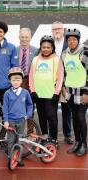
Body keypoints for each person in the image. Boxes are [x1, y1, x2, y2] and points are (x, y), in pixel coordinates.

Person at [29, 35, 64, 148]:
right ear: (40, 47)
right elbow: (31, 76)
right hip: (38, 94)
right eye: (43, 47)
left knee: (52, 117)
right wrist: (33, 91)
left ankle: (53, 139)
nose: (46, 49)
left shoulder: (56, 59)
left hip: (51, 95)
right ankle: (44, 137)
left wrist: (56, 92)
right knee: (42, 117)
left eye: (48, 47)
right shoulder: (35, 59)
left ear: (52, 48)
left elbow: (60, 77)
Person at [62, 28, 88, 156]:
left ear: (78, 40)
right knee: (74, 117)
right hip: (70, 91)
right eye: (69, 39)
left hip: (82, 92)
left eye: (74, 39)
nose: (71, 41)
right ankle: (77, 142)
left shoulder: (85, 52)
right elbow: (64, 72)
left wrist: (86, 92)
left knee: (80, 117)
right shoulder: (64, 53)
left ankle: (84, 144)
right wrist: (63, 86)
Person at [3, 67, 33, 166]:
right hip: (11, 121)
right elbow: (5, 108)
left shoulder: (25, 92)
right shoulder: (7, 93)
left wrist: (27, 115)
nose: (16, 82)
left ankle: (18, 158)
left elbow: (30, 104)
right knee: (11, 140)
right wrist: (6, 121)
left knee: (20, 139)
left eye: (18, 80)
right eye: (13, 80)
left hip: (21, 120)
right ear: (10, 81)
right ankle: (11, 157)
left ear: (21, 81)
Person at [51, 21, 73, 144]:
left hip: (65, 84)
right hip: (51, 84)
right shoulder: (47, 43)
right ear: (51, 31)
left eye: (59, 28)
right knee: (51, 112)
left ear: (63, 30)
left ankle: (68, 134)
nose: (57, 31)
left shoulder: (69, 44)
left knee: (67, 111)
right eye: (54, 29)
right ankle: (52, 135)